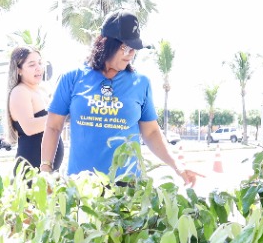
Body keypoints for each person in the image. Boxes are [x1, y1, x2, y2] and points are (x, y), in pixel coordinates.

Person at [39, 11, 197, 185]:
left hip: (127, 186)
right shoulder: (72, 78)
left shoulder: (141, 83)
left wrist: (177, 166)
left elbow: (151, 132)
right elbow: (53, 127)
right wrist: (46, 169)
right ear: (106, 44)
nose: (131, 54)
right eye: (126, 48)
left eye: (134, 49)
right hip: (82, 185)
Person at [6, 45, 62, 172]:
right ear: (19, 70)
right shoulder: (20, 91)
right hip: (31, 170)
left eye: (40, 63)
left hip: (48, 171)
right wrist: (60, 117)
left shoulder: (41, 90)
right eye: (32, 65)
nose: (38, 68)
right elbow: (29, 127)